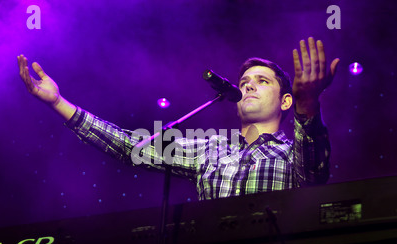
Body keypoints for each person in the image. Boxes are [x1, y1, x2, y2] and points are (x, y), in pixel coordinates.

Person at [17, 37, 339, 201]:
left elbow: (313, 175)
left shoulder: (293, 153)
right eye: (244, 83)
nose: (249, 85)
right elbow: (132, 146)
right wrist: (59, 102)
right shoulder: (211, 149)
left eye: (262, 81)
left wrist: (308, 103)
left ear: (286, 101)